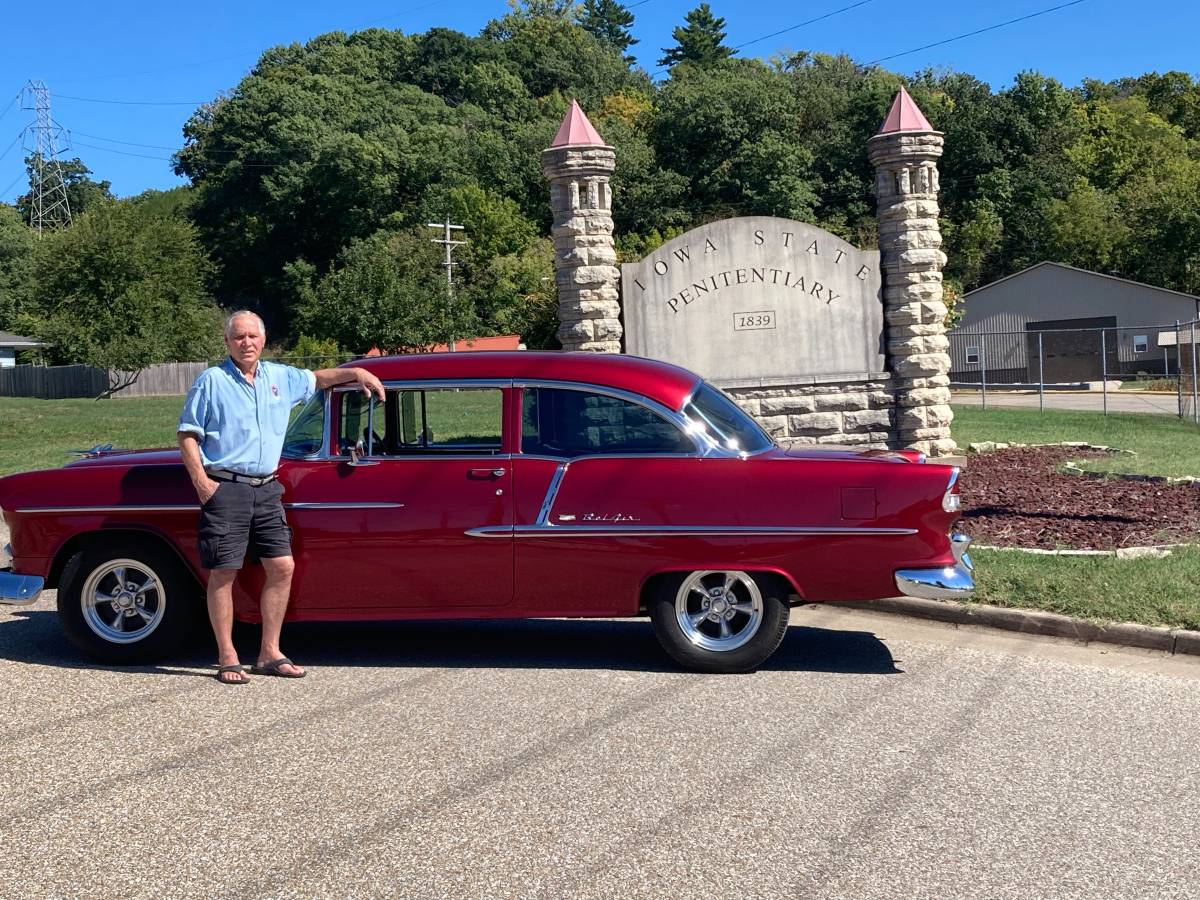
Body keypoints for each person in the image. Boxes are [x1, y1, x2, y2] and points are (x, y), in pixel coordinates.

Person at [178, 311, 385, 685]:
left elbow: (318, 379)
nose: (247, 343)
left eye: (252, 336)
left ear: (263, 339)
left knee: (282, 566)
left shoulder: (279, 376)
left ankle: (269, 652)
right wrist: (202, 485)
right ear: (227, 342)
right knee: (224, 571)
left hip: (268, 487)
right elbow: (187, 434)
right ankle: (227, 655)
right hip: (227, 487)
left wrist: (356, 373)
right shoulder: (211, 381)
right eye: (239, 337)